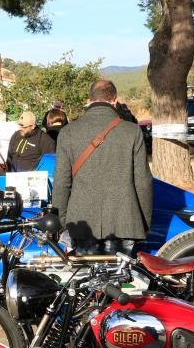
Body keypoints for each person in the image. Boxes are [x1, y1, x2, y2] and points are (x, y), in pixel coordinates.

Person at [53, 80, 152, 256]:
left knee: (86, 280)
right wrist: (143, 222)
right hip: (124, 221)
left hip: (81, 221)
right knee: (118, 280)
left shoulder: (68, 132)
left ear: (89, 100)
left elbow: (61, 182)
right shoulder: (132, 131)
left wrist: (61, 222)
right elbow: (143, 182)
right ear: (115, 101)